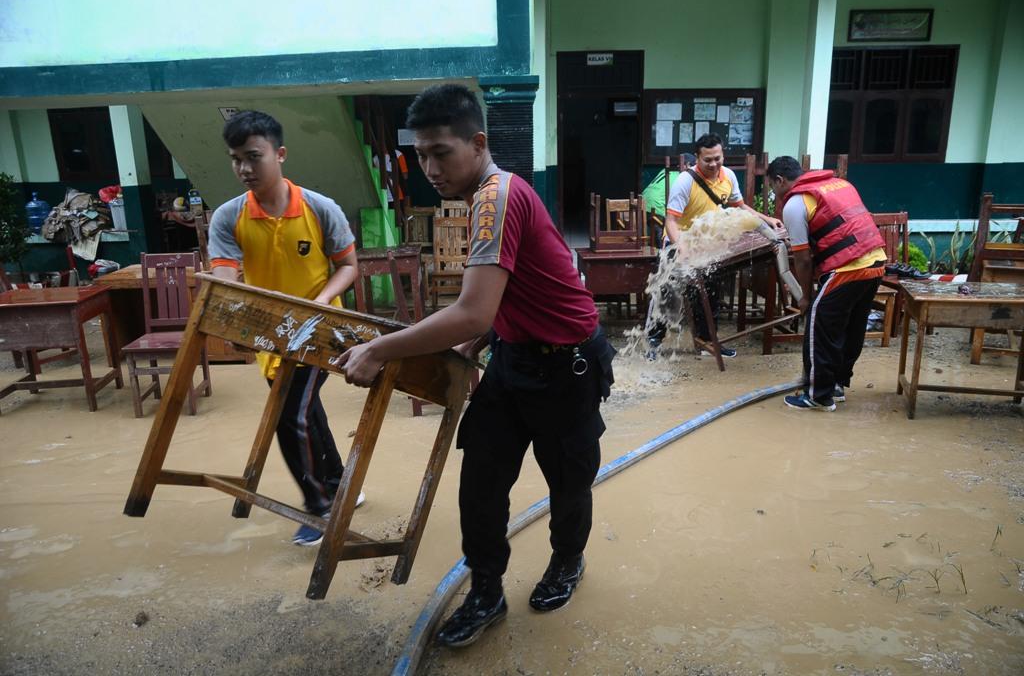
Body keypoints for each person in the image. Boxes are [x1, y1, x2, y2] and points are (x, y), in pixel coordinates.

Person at [338, 84, 615, 648]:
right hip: (512, 357)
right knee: (481, 480)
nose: (430, 167)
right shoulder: (484, 196)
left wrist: (378, 348)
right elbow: (507, 296)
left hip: (569, 366)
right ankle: (486, 590)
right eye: (421, 155)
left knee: (568, 481)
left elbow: (468, 310)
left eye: (442, 152)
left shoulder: (497, 196)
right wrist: (486, 337)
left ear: (478, 142)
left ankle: (567, 561)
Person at [207, 110, 363, 545]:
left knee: (288, 414)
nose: (243, 168)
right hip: (269, 335)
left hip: (320, 330)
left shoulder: (319, 207)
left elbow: (348, 266)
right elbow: (224, 273)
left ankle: (319, 507)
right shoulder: (228, 217)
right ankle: (339, 483)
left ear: (280, 154)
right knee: (306, 410)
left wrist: (318, 305)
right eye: (235, 158)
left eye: (253, 157)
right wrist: (231, 304)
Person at [766, 156, 887, 411]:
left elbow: (803, 259)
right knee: (850, 327)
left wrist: (805, 296)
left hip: (847, 267)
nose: (774, 194)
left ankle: (817, 396)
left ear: (779, 180)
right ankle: (836, 385)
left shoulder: (795, 204)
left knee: (818, 326)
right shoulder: (839, 184)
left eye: (772, 188)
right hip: (875, 262)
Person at [647, 133, 779, 358]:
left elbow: (740, 207)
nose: (713, 164)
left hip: (708, 245)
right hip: (679, 244)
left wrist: (767, 220)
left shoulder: (728, 176)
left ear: (722, 155)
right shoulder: (685, 181)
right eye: (707, 159)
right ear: (697, 158)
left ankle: (708, 342)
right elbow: (671, 221)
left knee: (710, 294)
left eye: (717, 158)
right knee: (667, 295)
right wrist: (681, 246)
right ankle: (653, 343)